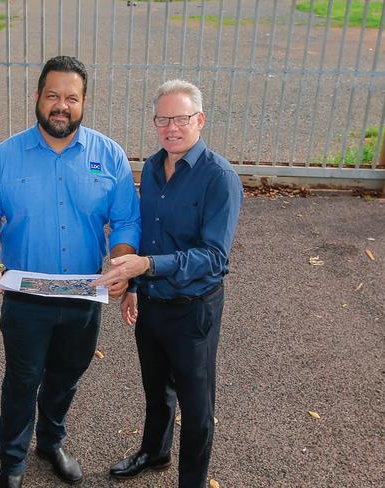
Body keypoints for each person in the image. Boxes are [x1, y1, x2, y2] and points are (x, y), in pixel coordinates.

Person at [0, 55, 141, 488]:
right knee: (22, 381)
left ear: (84, 103)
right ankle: (12, 460)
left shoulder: (110, 156)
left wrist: (120, 264)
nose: (61, 106)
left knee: (66, 376)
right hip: (25, 298)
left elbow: (126, 222)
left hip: (84, 295)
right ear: (37, 98)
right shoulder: (4, 158)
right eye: (53, 96)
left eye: (71, 98)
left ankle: (51, 441)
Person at [91, 80, 243, 488]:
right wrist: (137, 286)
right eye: (162, 119)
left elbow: (214, 256)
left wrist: (146, 266)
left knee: (197, 408)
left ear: (200, 120)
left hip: (194, 310)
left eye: (181, 118)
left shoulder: (220, 177)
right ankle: (155, 452)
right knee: (156, 390)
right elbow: (149, 233)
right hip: (153, 302)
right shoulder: (154, 167)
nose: (171, 128)